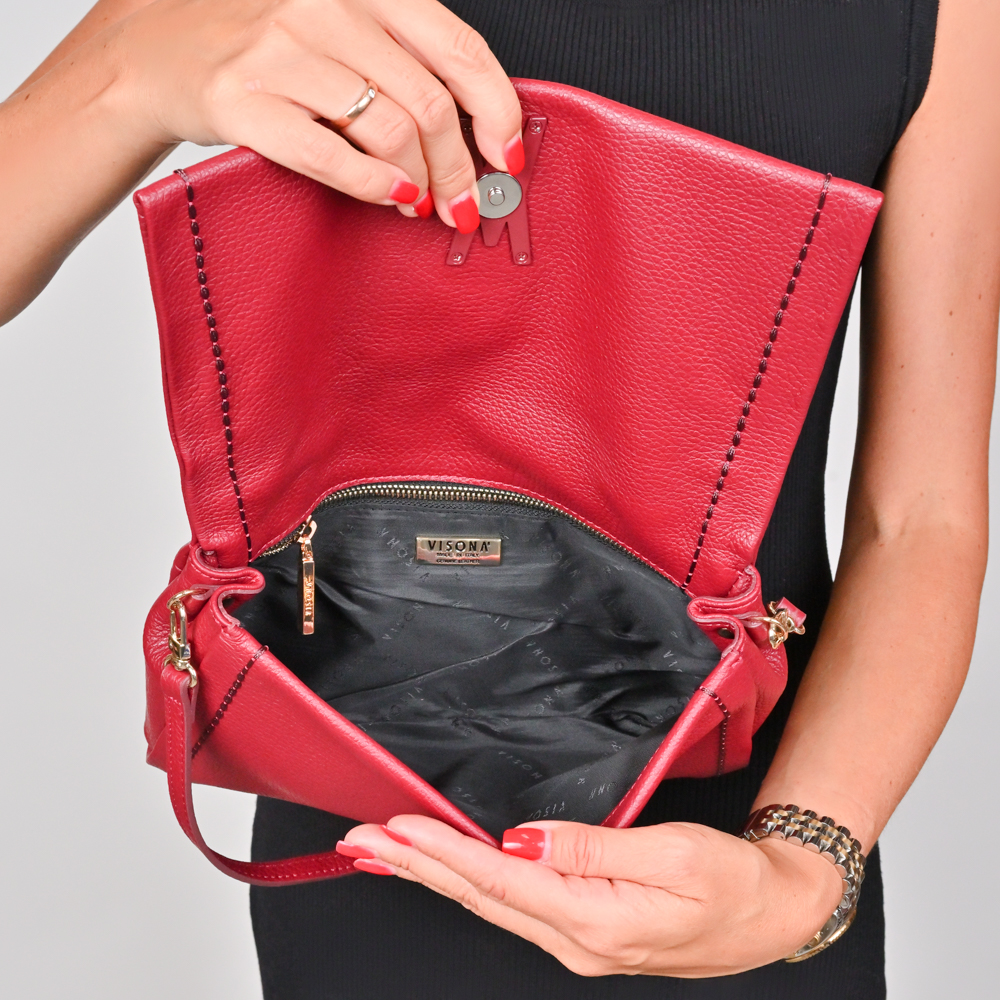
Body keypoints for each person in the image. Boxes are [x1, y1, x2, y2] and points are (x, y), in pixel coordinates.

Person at [1, 1, 997, 997]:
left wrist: (803, 868)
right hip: (371, 860)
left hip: (745, 883)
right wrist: (130, 62)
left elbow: (919, 517)